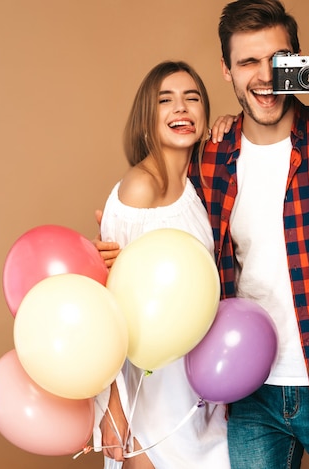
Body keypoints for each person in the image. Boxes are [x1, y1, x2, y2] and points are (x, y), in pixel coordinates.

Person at [96, 1, 309, 467]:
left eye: (277, 60)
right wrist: (121, 253)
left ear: (298, 59)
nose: (263, 77)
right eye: (247, 63)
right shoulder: (211, 157)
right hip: (246, 392)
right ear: (226, 70)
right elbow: (170, 226)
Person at [93, 61, 230, 469]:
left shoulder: (197, 189)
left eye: (193, 99)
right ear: (146, 120)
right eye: (165, 100)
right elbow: (110, 307)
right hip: (148, 401)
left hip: (196, 393)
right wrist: (115, 409)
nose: (181, 109)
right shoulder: (138, 187)